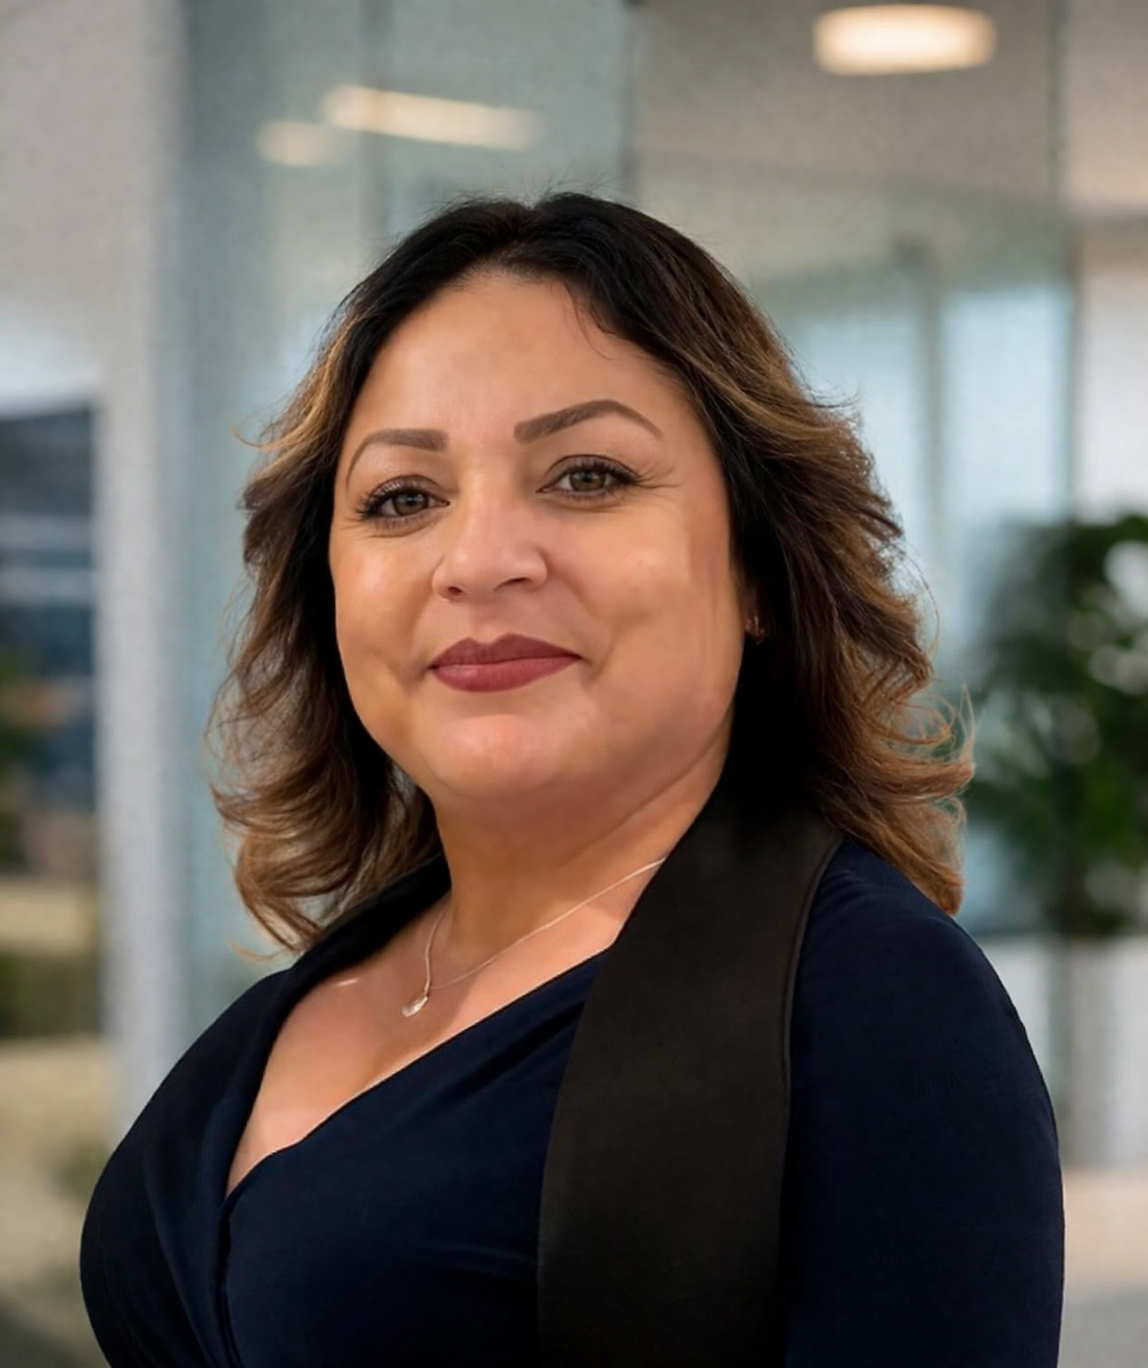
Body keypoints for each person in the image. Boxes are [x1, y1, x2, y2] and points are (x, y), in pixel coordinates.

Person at [79, 191, 1064, 1367]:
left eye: (586, 475)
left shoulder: (867, 999)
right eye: (402, 498)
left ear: (757, 567)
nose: (480, 560)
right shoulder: (339, 980)